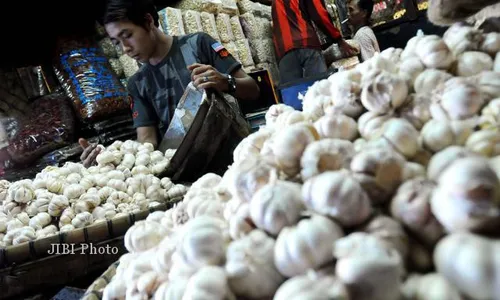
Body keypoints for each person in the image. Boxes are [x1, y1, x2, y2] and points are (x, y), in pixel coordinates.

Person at [80, 0, 260, 167]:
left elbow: (253, 89)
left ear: (148, 21)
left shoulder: (198, 44)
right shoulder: (138, 83)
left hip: (240, 158)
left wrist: (225, 82)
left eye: (127, 35)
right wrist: (111, 156)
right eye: (116, 42)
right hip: (189, 173)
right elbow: (147, 141)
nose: (125, 48)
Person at [272, 0, 357, 85]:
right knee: (318, 89)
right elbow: (319, 15)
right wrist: (339, 40)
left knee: (292, 93)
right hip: (306, 44)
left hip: (284, 51)